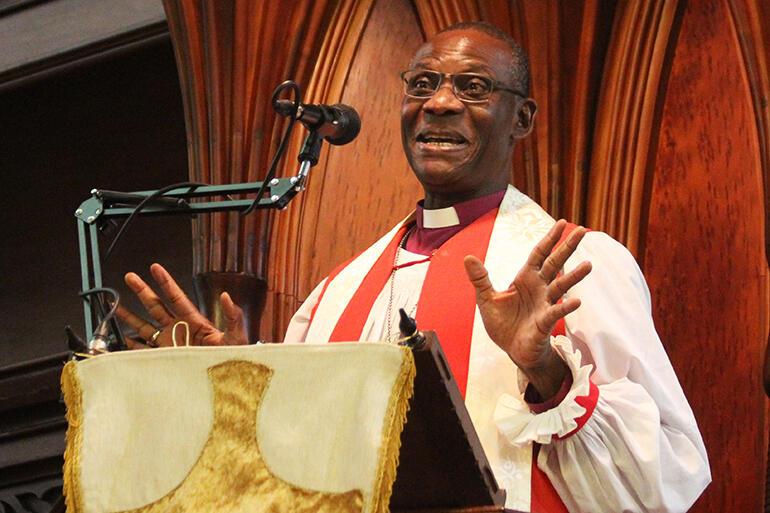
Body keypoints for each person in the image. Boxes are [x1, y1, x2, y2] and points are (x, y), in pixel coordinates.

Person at [117, 22, 711, 513]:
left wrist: (547, 371)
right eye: (422, 83)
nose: (440, 102)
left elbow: (663, 487)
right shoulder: (332, 297)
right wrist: (238, 393)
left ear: (522, 119)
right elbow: (294, 487)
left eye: (473, 87)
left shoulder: (574, 262)